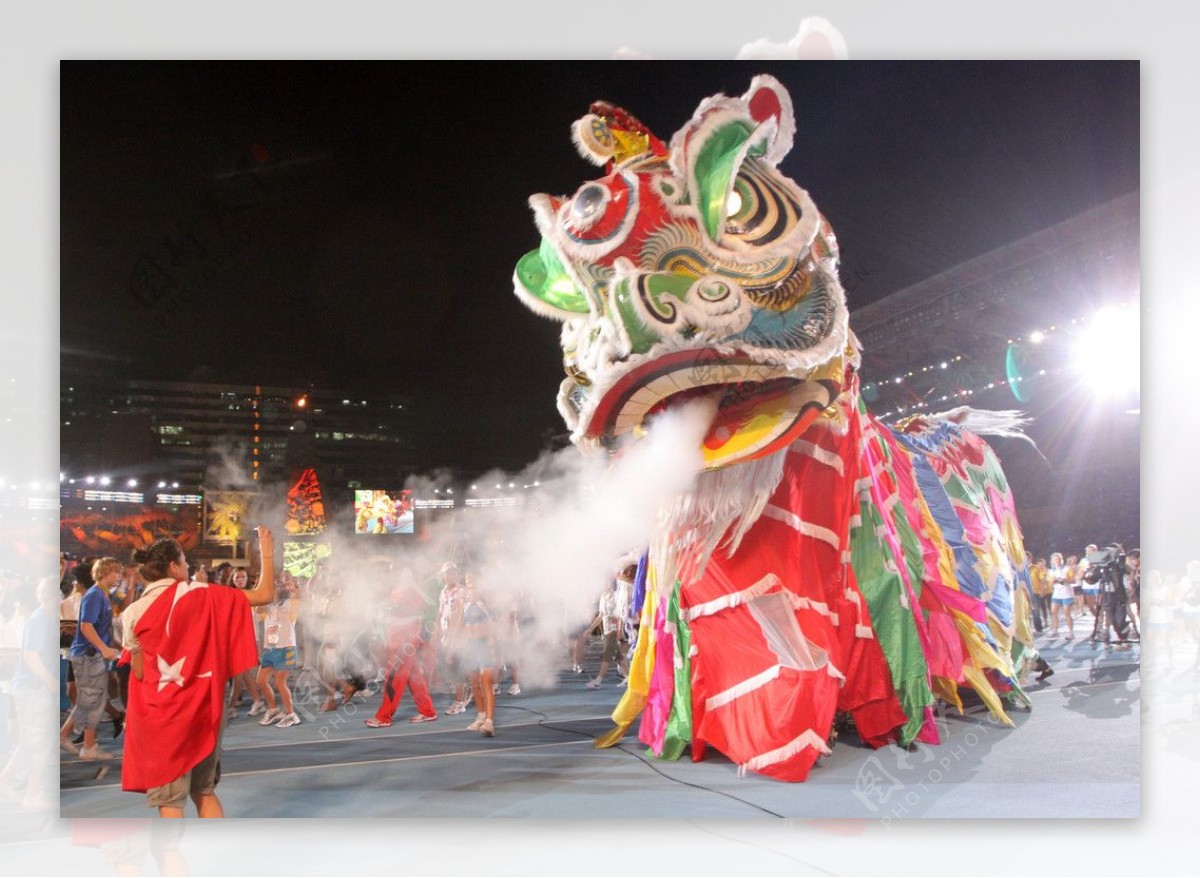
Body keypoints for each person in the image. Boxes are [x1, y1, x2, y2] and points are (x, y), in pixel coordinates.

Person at [120, 526, 275, 818]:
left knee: (170, 803)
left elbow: (140, 673)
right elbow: (265, 593)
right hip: (204, 710)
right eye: (185, 562)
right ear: (174, 567)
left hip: (162, 719)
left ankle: (175, 862)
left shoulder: (133, 612)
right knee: (204, 792)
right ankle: (214, 858)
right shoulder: (205, 594)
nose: (189, 568)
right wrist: (266, 552)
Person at [59, 558, 123, 760]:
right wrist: (104, 648)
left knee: (92, 701)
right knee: (90, 701)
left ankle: (86, 744)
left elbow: (101, 628)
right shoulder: (95, 595)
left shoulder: (103, 595)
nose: (119, 576)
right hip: (87, 655)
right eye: (116, 572)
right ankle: (70, 737)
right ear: (105, 572)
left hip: (93, 654)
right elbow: (86, 626)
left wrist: (116, 645)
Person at [365, 568, 438, 728]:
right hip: (398, 638)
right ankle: (428, 711)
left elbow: (418, 610)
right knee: (414, 677)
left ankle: (384, 717)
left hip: (405, 640)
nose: (394, 573)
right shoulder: (398, 589)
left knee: (393, 678)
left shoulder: (412, 590)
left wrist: (392, 608)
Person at [255, 576, 302, 728]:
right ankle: (274, 709)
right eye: (272, 584)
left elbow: (303, 600)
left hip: (286, 647)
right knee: (261, 681)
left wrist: (296, 591)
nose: (275, 586)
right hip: (270, 648)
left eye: (276, 584)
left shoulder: (290, 603)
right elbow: (257, 608)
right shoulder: (268, 606)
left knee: (279, 682)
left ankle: (290, 714)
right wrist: (259, 589)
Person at [460, 572, 497, 736]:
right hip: (471, 647)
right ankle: (480, 716)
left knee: (486, 681)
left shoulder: (485, 602)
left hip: (484, 647)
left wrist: (492, 647)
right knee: (474, 682)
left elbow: (493, 626)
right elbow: (463, 625)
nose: (470, 580)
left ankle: (489, 722)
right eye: (467, 577)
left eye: (473, 577)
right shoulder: (465, 602)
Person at [587, 568, 632, 689]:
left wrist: (620, 630)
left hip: (613, 630)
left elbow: (620, 614)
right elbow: (601, 616)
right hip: (607, 630)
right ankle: (630, 678)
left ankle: (598, 680)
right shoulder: (603, 597)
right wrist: (590, 629)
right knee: (619, 657)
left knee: (607, 655)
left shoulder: (615, 597)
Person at [1048, 552, 1075, 640]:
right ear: (1052, 561)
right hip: (1056, 594)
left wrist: (1063, 580)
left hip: (1067, 593)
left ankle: (1071, 632)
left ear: (1061, 560)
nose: (1057, 561)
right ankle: (1055, 630)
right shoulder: (1051, 571)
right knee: (1053, 612)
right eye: (1055, 560)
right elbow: (1050, 583)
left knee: (1067, 613)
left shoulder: (1067, 569)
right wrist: (1053, 581)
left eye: (1058, 559)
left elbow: (1073, 580)